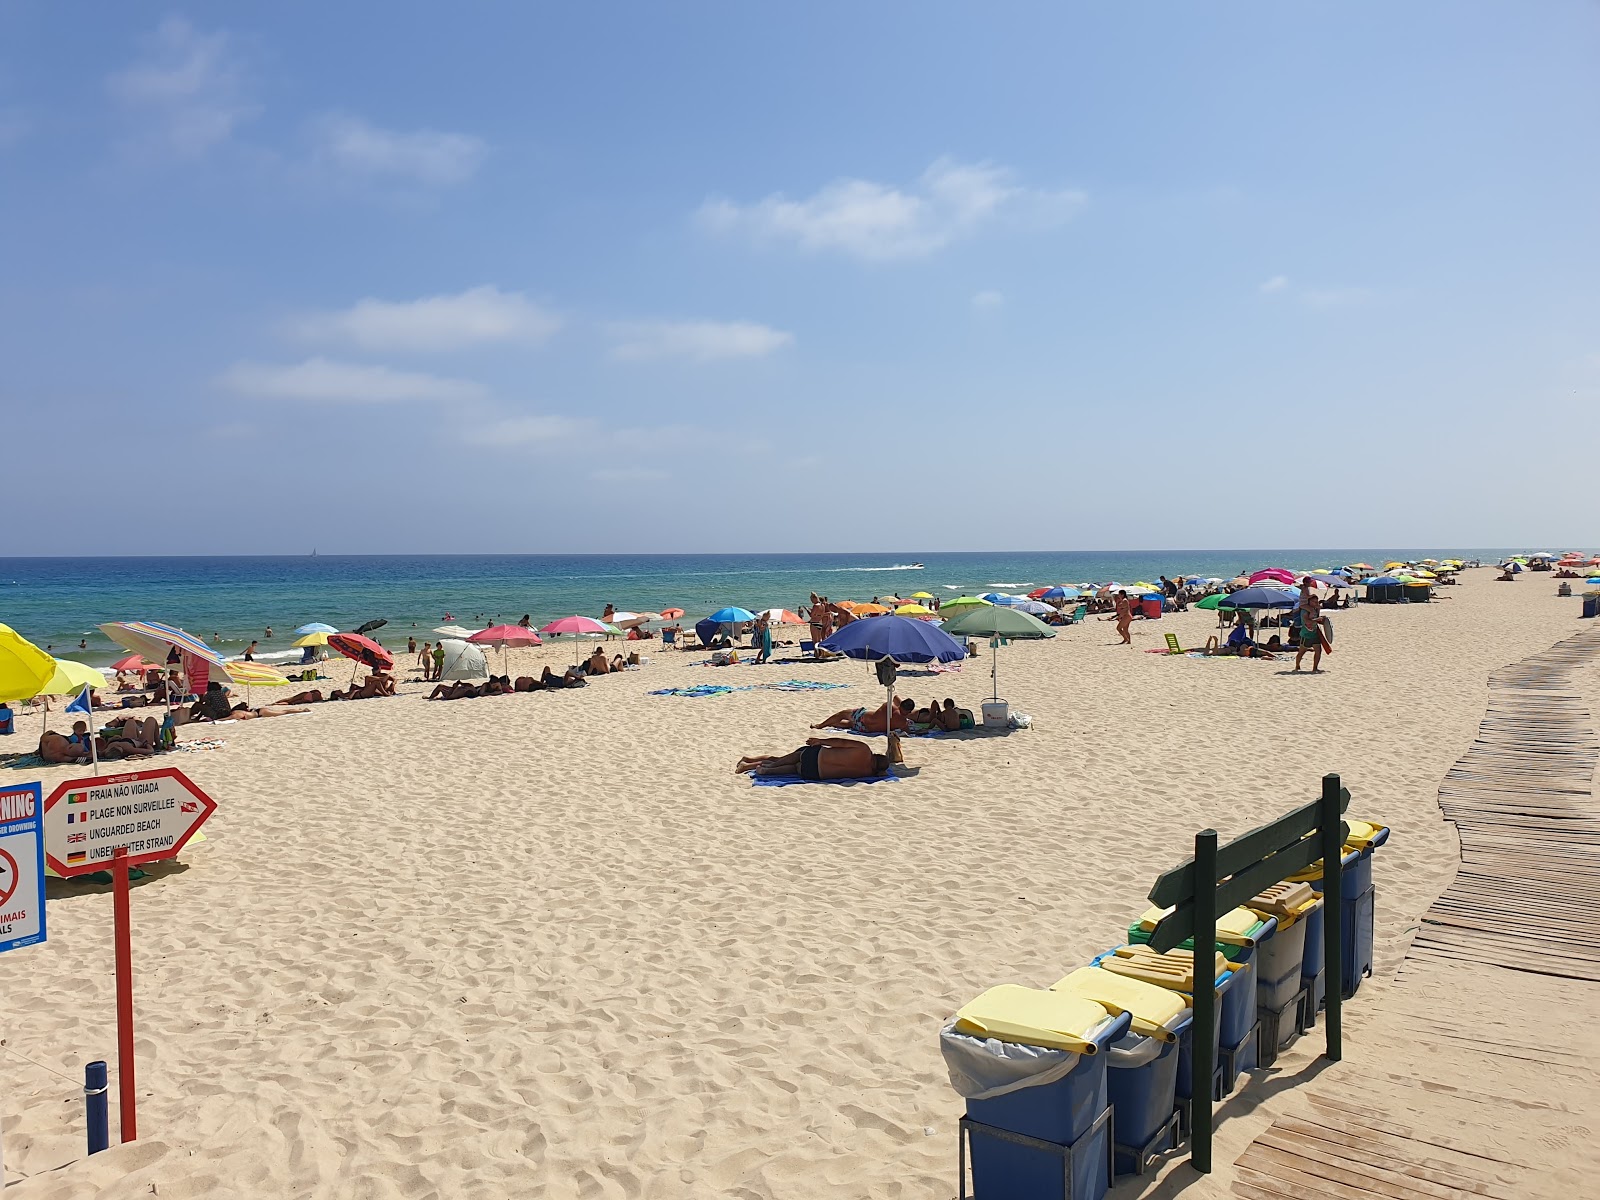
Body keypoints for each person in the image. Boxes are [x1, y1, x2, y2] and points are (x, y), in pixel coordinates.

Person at [735, 737, 891, 781]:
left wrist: (821, 741)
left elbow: (841, 742)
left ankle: (749, 765)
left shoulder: (864, 749)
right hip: (814, 773)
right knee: (794, 768)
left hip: (815, 756)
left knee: (782, 758)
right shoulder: (867, 773)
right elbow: (882, 774)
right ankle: (765, 770)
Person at [811, 698, 914, 735]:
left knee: (842, 714)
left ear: (900, 705)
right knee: (850, 724)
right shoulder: (903, 723)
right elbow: (909, 731)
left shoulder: (889, 706)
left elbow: (895, 697)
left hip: (863, 718)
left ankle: (820, 725)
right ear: (909, 711)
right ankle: (832, 723)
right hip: (865, 729)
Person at [1293, 580, 1324, 673]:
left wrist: (1322, 621)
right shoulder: (1305, 610)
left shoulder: (1314, 610)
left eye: (1316, 602)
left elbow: (1317, 620)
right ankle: (1297, 665)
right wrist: (1316, 620)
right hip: (1306, 634)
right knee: (1302, 652)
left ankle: (1315, 668)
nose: (1315, 603)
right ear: (1309, 602)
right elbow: (1306, 621)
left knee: (1318, 651)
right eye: (1314, 602)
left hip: (1314, 633)